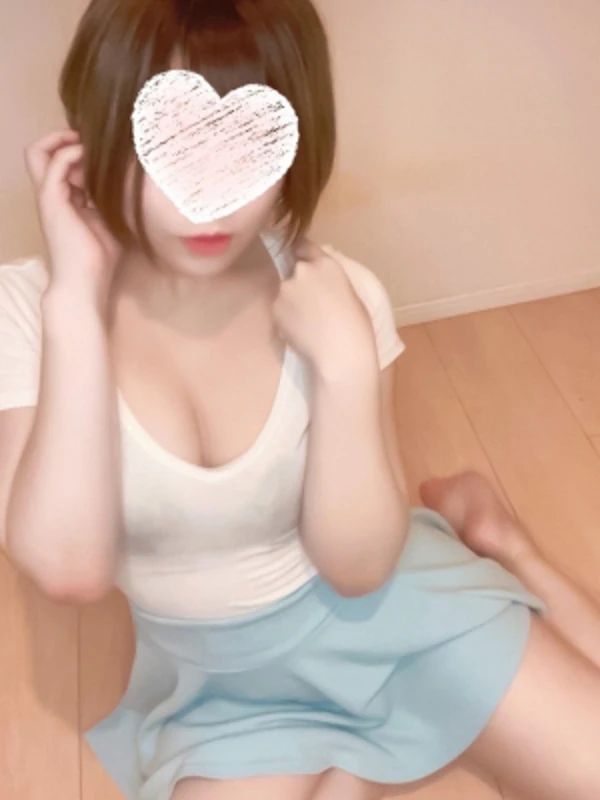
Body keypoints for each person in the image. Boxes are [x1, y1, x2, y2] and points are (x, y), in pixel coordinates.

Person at [0, 2, 598, 799]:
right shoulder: (33, 308)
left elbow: (359, 570)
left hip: (388, 611)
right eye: (170, 145)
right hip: (223, 693)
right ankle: (366, 750)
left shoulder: (337, 294)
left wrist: (348, 366)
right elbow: (68, 570)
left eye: (249, 146)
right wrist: (76, 299)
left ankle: (508, 549)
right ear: (95, 131)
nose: (211, 197)